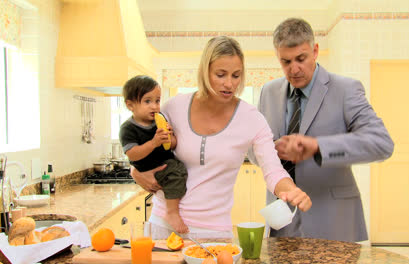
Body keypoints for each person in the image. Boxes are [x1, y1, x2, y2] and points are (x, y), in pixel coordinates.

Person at [131, 36, 312, 239]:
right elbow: (140, 144)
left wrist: (291, 190)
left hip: (213, 231)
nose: (229, 84)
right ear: (205, 71)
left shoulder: (251, 119)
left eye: (236, 75)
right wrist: (134, 170)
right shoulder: (173, 108)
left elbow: (273, 170)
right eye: (220, 74)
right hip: (163, 224)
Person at [249, 18, 394, 242]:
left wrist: (318, 147)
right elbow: (253, 149)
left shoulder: (346, 89)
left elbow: (382, 143)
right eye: (285, 61)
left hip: (332, 220)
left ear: (315, 51)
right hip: (281, 220)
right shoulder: (268, 92)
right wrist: (270, 151)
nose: (294, 69)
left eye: (301, 58)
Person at [120, 75, 189, 234]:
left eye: (157, 101)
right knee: (176, 174)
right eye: (147, 101)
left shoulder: (161, 119)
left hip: (164, 161)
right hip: (149, 167)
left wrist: (170, 138)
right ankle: (172, 212)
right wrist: (153, 142)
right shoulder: (128, 129)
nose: (155, 106)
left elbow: (172, 145)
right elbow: (133, 154)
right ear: (130, 105)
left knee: (179, 169)